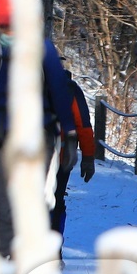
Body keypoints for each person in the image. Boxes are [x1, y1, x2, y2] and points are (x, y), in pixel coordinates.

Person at [0, 0, 76, 257]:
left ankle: (31, 256)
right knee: (1, 198)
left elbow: (59, 89)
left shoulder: (42, 49)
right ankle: (6, 256)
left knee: (32, 198)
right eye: (4, 23)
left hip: (37, 133)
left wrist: (69, 133)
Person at [52, 68, 97, 246]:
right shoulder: (69, 89)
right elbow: (83, 126)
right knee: (55, 204)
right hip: (61, 158)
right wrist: (88, 157)